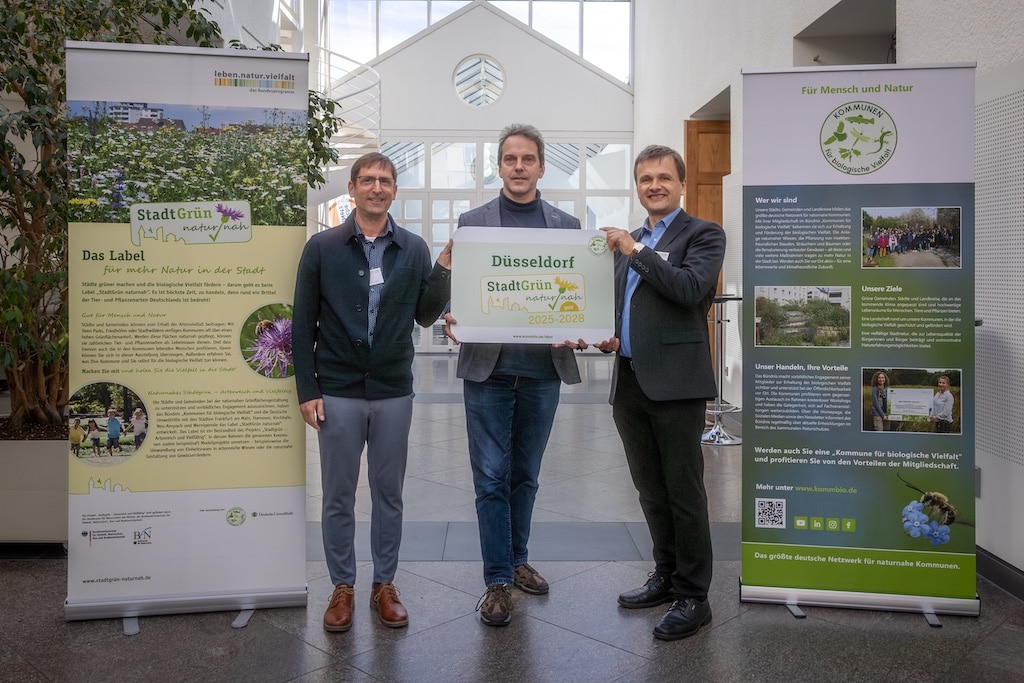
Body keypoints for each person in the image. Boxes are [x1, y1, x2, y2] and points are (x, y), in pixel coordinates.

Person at [292, 152, 452, 634]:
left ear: (394, 190)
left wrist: (443, 270)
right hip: (336, 389)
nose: (376, 188)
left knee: (389, 494)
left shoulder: (415, 248)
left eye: (385, 181)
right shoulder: (321, 248)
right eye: (368, 180)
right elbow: (301, 323)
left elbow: (424, 316)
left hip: (391, 390)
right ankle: (342, 585)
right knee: (338, 495)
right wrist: (307, 388)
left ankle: (385, 584)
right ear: (353, 187)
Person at [443, 123, 587, 627]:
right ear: (499, 166)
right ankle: (497, 581)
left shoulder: (569, 227)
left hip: (543, 372)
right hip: (489, 370)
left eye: (528, 159)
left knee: (525, 474)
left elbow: (583, 296)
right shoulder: (472, 223)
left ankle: (518, 558)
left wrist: (582, 325)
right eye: (510, 159)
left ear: (542, 166)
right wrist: (452, 313)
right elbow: (457, 293)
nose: (519, 167)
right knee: (490, 477)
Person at [595, 144, 725, 641]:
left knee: (683, 492)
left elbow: (690, 289)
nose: (654, 185)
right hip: (628, 379)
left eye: (663, 178)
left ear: (681, 183)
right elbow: (624, 307)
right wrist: (608, 333)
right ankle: (667, 575)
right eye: (646, 178)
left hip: (676, 383)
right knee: (650, 489)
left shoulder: (704, 234)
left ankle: (694, 595)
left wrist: (635, 250)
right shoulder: (632, 242)